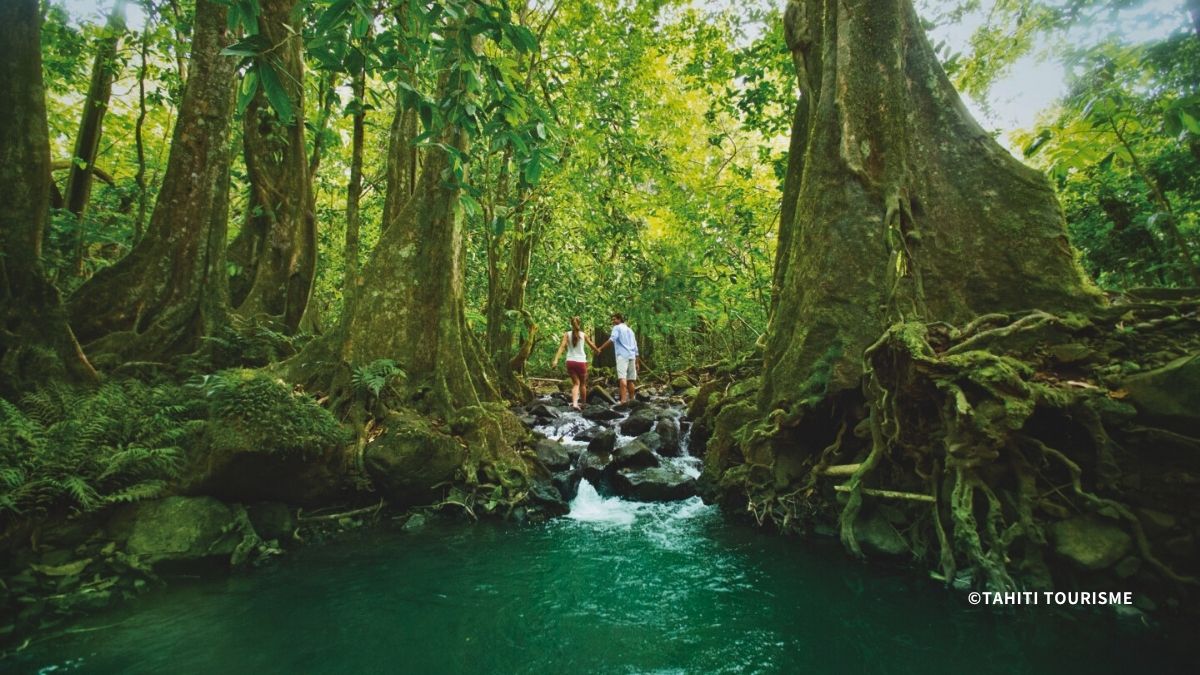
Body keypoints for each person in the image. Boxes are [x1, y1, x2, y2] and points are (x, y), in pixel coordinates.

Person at [550, 316, 599, 410]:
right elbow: (592, 346)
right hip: (581, 362)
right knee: (583, 384)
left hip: (570, 362)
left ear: (571, 324)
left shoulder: (567, 334)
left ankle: (575, 403)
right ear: (579, 324)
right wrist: (597, 350)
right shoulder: (583, 335)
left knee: (576, 383)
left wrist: (556, 360)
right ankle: (584, 404)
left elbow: (562, 347)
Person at [595, 312, 639, 404]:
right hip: (632, 356)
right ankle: (632, 400)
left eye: (614, 319)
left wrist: (600, 348)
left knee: (622, 378)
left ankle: (623, 400)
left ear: (620, 319)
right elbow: (635, 347)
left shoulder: (617, 328)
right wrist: (637, 361)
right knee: (631, 380)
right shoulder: (630, 330)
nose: (613, 321)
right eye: (612, 319)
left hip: (622, 356)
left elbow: (612, 339)